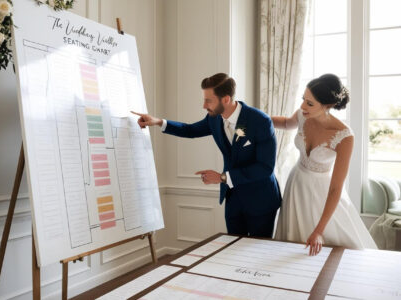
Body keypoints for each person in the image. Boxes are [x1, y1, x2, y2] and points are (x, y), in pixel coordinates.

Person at [132, 73, 281, 237]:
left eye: (208, 100)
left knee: (258, 253)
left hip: (261, 200)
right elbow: (190, 130)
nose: (204, 105)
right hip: (233, 200)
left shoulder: (260, 121)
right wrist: (159, 122)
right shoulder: (214, 119)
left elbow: (265, 167)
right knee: (233, 250)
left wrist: (222, 177)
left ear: (225, 99)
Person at [273, 74, 377, 255]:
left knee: (336, 250)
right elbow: (286, 123)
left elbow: (336, 188)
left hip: (322, 193)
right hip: (296, 184)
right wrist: (254, 117)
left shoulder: (344, 136)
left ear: (328, 105)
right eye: (303, 99)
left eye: (310, 103)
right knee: (291, 246)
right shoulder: (303, 115)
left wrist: (319, 231)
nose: (302, 106)